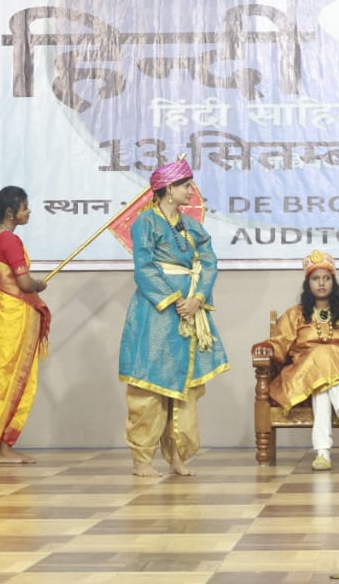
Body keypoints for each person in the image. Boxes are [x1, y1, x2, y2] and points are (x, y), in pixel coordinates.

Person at [118, 157, 228, 477]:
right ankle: (141, 460)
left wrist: (197, 298)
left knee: (184, 386)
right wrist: (175, 300)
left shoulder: (191, 226)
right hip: (157, 312)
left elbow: (209, 262)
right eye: (185, 185)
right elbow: (144, 268)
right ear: (168, 189)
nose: (191, 191)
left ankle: (177, 456)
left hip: (189, 312)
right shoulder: (145, 222)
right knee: (151, 385)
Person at [256, 249, 339, 471]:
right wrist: (267, 348)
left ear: (333, 282)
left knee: (324, 371)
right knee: (320, 367)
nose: (321, 283)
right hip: (304, 372)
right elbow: (280, 342)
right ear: (308, 283)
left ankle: (323, 453)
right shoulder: (295, 314)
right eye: (316, 278)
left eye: (326, 278)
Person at [0, 186, 51, 465]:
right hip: (16, 318)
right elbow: (25, 284)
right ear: (10, 212)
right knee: (16, 380)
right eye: (25, 207)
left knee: (2, 381)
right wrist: (39, 284)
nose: (29, 211)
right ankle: (4, 449)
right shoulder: (10, 241)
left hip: (1, 318)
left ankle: (2, 446)